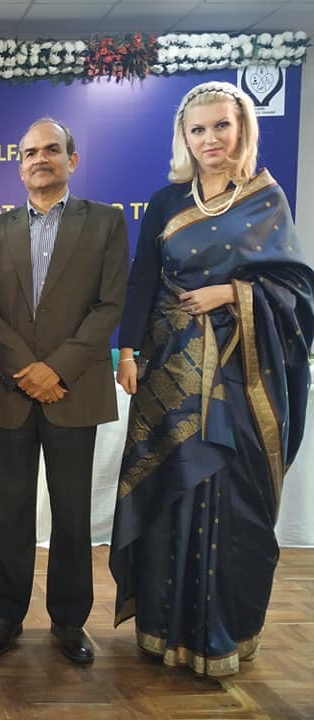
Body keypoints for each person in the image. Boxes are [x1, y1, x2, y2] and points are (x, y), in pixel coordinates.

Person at [110, 81, 314, 677]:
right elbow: (141, 281)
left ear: (242, 129)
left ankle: (221, 633)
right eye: (197, 130)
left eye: (221, 126)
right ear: (184, 137)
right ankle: (163, 628)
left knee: (232, 499)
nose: (209, 140)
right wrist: (127, 351)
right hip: (170, 374)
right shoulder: (166, 202)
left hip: (242, 378)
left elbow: (298, 293)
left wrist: (233, 292)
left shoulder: (267, 200)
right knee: (170, 492)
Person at [0, 118, 128, 664]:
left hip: (73, 390)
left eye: (52, 150)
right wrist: (27, 370)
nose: (41, 158)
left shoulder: (106, 223)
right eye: (30, 151)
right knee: (9, 510)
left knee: (71, 512)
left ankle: (68, 621)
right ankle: (5, 615)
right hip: (11, 391)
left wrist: (56, 370)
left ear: (72, 160)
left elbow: (109, 306)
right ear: (19, 165)